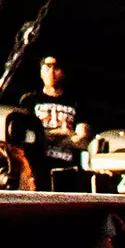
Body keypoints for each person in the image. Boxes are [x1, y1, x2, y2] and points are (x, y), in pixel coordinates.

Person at [29, 52, 90, 188]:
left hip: (69, 169)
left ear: (63, 72)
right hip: (38, 170)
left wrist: (47, 136)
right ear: (41, 72)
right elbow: (29, 136)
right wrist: (64, 133)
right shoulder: (30, 100)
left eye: (56, 68)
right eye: (47, 68)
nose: (51, 72)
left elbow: (82, 138)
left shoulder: (75, 102)